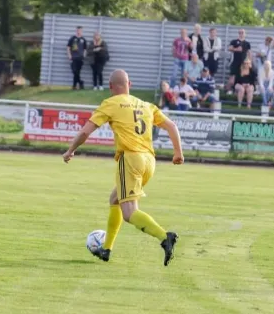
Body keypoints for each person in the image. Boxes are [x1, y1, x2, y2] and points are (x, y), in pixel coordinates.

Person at [62, 69, 183, 266]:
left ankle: (164, 236)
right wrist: (178, 153)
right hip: (150, 162)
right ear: (130, 84)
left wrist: (70, 150)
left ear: (111, 87)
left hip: (130, 159)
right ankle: (106, 249)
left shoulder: (110, 103)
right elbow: (172, 126)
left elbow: (85, 132)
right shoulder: (146, 105)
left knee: (129, 213)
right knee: (115, 198)